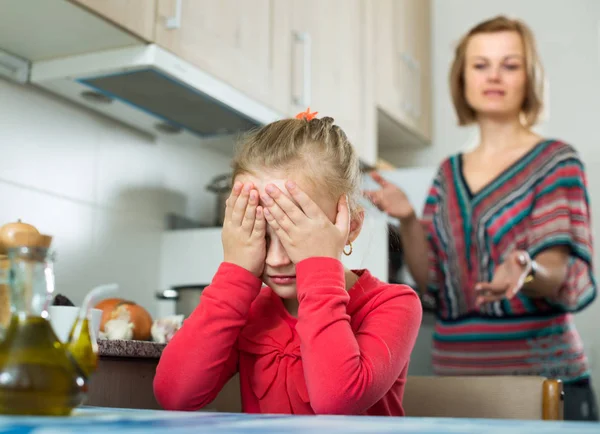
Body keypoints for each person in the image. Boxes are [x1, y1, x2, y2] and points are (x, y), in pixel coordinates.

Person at [364, 16, 598, 421]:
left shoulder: (557, 161)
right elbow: (432, 281)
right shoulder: (448, 173)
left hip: (543, 385)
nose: (494, 76)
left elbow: (558, 272)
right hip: (457, 386)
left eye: (510, 64)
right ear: (463, 79)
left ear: (529, 77)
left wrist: (525, 267)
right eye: (480, 65)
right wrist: (407, 220)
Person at [153, 109, 423, 415]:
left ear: (351, 226)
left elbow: (337, 403)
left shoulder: (394, 304)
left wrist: (320, 268)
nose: (277, 259)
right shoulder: (251, 309)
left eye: (297, 235)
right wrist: (236, 272)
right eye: (261, 235)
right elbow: (174, 395)